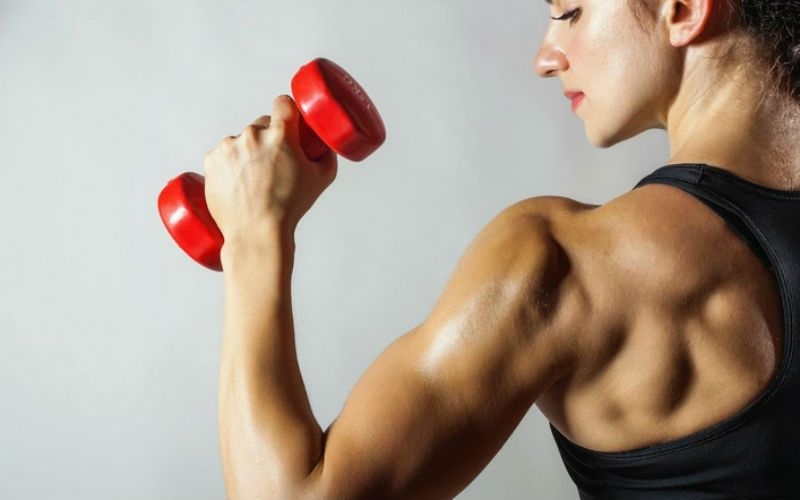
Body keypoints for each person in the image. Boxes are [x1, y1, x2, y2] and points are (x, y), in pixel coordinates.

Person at [202, 0, 800, 498]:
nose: (545, 57)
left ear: (684, 9)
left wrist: (255, 234)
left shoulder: (568, 264)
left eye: (570, 11)